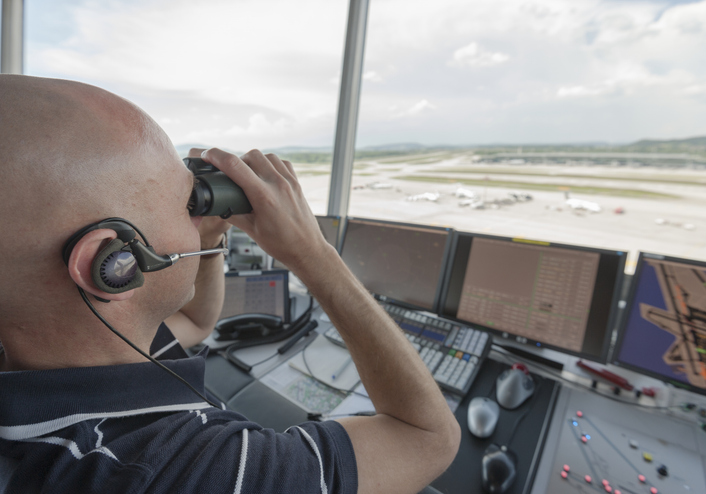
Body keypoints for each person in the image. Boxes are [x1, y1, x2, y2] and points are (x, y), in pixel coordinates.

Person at [0, 74, 461, 494]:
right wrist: (314, 254)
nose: (197, 212)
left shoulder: (58, 352)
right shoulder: (181, 472)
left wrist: (209, 237)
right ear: (113, 263)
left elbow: (196, 323)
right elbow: (426, 437)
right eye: (184, 202)